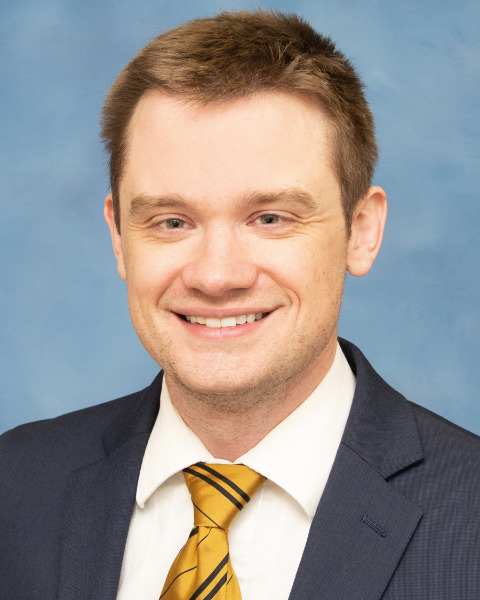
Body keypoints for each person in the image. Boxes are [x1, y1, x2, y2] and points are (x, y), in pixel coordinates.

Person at [1, 9, 479, 600]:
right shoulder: (15, 487)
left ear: (361, 230)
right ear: (119, 237)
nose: (217, 276)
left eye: (270, 218)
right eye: (172, 221)